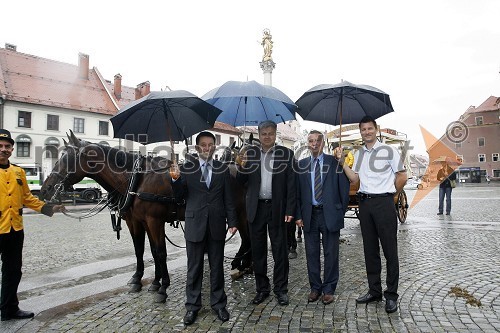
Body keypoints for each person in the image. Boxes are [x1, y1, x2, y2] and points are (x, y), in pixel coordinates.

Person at [334, 116, 407, 314]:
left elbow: (402, 175)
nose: (366, 132)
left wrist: (392, 196)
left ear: (376, 129)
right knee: (370, 250)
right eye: (363, 129)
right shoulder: (359, 154)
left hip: (384, 202)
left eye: (369, 128)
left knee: (390, 251)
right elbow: (355, 179)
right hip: (364, 203)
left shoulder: (388, 151)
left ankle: (391, 295)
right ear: (361, 132)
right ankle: (374, 291)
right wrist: (342, 163)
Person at [171, 131, 238, 325]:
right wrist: (175, 180)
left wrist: (232, 221)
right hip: (195, 223)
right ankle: (192, 307)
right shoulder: (187, 168)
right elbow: (179, 197)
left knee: (217, 267)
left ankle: (219, 304)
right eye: (203, 144)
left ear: (214, 146)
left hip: (217, 223)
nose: (207, 148)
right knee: (194, 268)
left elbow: (228, 198)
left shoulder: (221, 168)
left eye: (210, 144)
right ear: (197, 147)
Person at [0, 129, 64, 321]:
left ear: (12, 150)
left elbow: (27, 198)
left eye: (7, 147)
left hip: (15, 229)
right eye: (0, 146)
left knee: (13, 271)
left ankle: (9, 309)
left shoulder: (18, 172)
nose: (3, 149)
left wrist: (50, 208)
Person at [237, 120, 296, 306]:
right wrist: (241, 165)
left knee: (280, 251)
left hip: (278, 208)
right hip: (257, 208)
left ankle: (281, 289)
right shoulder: (250, 154)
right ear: (260, 135)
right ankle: (262, 289)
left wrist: (290, 210)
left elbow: (291, 186)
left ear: (275, 133)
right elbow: (240, 181)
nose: (267, 137)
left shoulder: (286, 154)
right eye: (264, 134)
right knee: (258, 252)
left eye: (270, 133)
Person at [295, 130, 350, 305]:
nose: (314, 144)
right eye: (311, 141)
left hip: (330, 214)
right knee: (311, 253)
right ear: (307, 144)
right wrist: (298, 215)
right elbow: (296, 193)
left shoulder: (335, 163)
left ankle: (329, 289)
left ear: (323, 143)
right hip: (309, 214)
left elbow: (344, 189)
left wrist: (340, 211)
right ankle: (315, 288)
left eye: (317, 141)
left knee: (331, 253)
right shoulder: (301, 165)